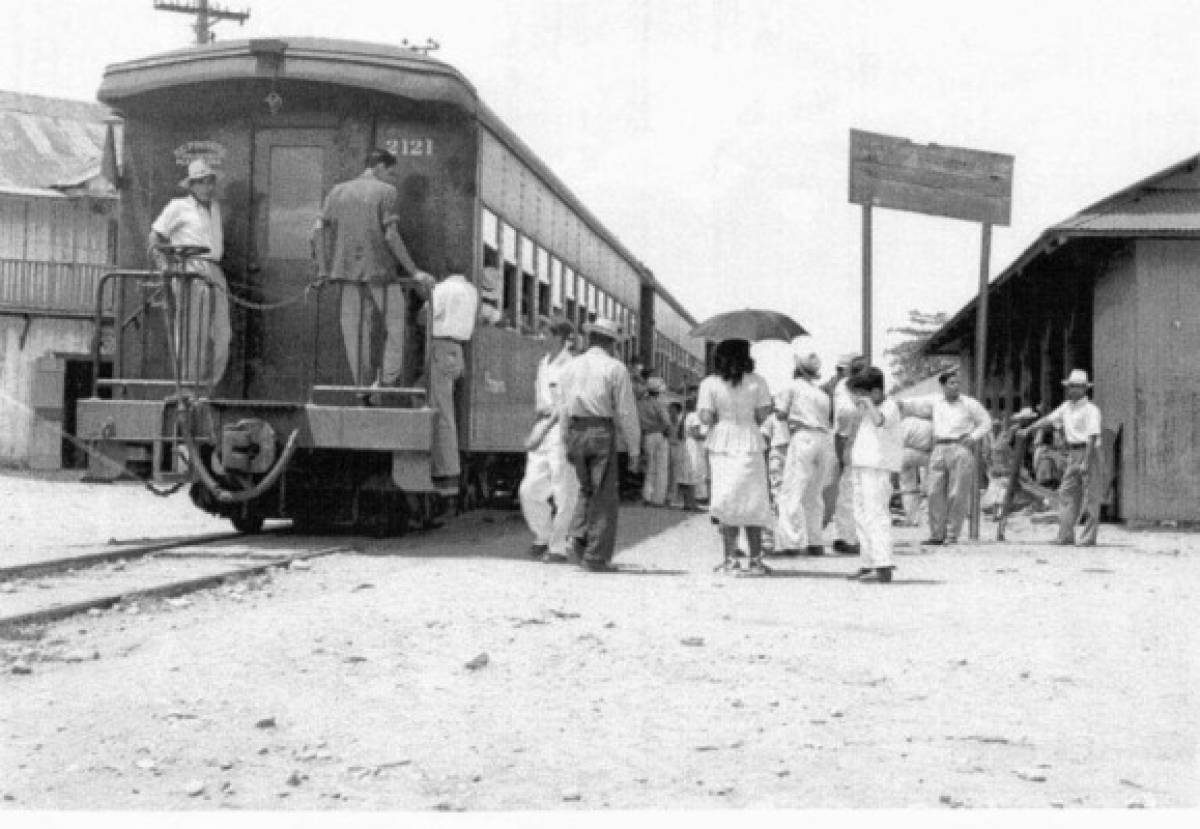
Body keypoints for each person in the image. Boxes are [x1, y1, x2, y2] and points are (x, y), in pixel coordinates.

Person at [313, 148, 432, 387]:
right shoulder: (386, 191)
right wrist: (414, 272)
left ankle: (362, 385)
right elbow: (391, 236)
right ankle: (386, 381)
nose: (392, 179)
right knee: (398, 326)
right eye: (391, 173)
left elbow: (318, 230)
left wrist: (323, 269)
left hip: (345, 274)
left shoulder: (337, 191)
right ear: (379, 167)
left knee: (354, 332)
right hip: (381, 274)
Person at [557, 317, 641, 571]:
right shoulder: (615, 368)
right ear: (611, 343)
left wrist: (564, 438)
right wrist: (634, 447)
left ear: (591, 338)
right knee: (604, 493)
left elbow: (562, 407)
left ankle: (578, 536)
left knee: (585, 488)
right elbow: (626, 411)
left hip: (575, 430)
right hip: (600, 431)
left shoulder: (570, 367)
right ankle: (595, 557)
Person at [148, 158, 231, 387]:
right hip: (191, 271)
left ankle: (209, 387)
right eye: (202, 182)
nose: (208, 186)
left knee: (223, 335)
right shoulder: (178, 206)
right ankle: (188, 384)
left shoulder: (215, 208)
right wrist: (164, 266)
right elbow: (155, 236)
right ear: (192, 185)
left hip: (214, 270)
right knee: (192, 332)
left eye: (210, 181)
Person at [696, 339, 774, 575]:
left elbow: (706, 417)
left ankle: (730, 560)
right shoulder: (758, 382)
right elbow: (762, 415)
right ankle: (756, 560)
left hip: (722, 442)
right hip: (750, 439)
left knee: (726, 498)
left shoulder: (710, 383)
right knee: (754, 500)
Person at [899, 369, 992, 545]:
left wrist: (973, 437)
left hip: (960, 447)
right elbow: (912, 404)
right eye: (951, 383)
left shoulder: (969, 403)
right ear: (943, 386)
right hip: (939, 447)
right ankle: (936, 534)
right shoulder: (935, 401)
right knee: (933, 491)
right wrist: (898, 404)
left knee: (957, 493)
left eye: (957, 383)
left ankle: (951, 534)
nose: (956, 387)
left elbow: (985, 421)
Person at [518, 319, 579, 564]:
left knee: (564, 489)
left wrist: (545, 431)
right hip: (543, 425)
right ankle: (543, 535)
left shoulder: (570, 366)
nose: (541, 337)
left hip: (561, 428)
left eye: (545, 333)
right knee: (529, 488)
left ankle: (558, 547)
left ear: (560, 338)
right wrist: (537, 429)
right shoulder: (543, 363)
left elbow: (563, 405)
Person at [1019, 369, 1103, 545]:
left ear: (1084, 389)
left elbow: (1092, 436)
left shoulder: (1091, 410)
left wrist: (1086, 462)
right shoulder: (1066, 407)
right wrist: (1029, 430)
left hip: (1088, 451)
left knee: (1091, 496)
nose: (1071, 390)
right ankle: (1065, 535)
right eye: (1070, 386)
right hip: (1072, 452)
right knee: (1066, 493)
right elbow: (1048, 420)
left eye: (1076, 387)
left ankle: (1088, 537)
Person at [843, 367, 903, 582]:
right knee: (860, 516)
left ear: (876, 391)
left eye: (864, 393)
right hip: (862, 465)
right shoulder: (869, 408)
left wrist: (867, 402)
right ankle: (868, 562)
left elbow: (880, 421)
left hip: (878, 468)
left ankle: (883, 563)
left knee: (876, 515)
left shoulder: (890, 407)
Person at [773, 347, 833, 556]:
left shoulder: (791, 387)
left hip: (803, 437)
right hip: (824, 438)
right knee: (814, 493)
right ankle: (815, 540)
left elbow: (780, 414)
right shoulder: (822, 394)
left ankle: (792, 542)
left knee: (792, 490)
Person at [426, 269, 480, 491]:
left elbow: (425, 317)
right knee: (440, 407)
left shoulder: (442, 289)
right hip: (458, 351)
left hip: (441, 347)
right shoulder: (471, 291)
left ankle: (446, 472)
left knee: (442, 412)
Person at [828, 354, 867, 554]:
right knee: (848, 492)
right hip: (848, 442)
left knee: (849, 492)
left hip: (852, 441)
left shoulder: (848, 388)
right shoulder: (844, 388)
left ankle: (845, 535)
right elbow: (843, 419)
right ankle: (845, 537)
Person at [759, 406, 792, 554]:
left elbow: (764, 441)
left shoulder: (772, 419)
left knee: (779, 496)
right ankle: (786, 539)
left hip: (780, 453)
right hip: (783, 453)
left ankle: (777, 538)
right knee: (783, 497)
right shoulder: (796, 418)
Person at [637, 376, 672, 507]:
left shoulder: (640, 403)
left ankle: (647, 495)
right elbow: (666, 422)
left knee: (649, 467)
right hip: (659, 434)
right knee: (661, 467)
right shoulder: (660, 403)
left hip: (647, 435)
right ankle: (658, 499)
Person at [898, 414, 933, 527]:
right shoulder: (930, 424)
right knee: (928, 486)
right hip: (927, 455)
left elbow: (898, 442)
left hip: (905, 454)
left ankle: (911, 517)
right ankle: (926, 518)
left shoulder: (905, 422)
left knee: (907, 486)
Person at [683, 396, 710, 503]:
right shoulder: (694, 416)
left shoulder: (695, 416)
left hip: (697, 446)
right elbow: (696, 434)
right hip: (695, 445)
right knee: (695, 471)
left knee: (699, 471)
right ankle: (696, 498)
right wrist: (709, 436)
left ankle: (698, 497)